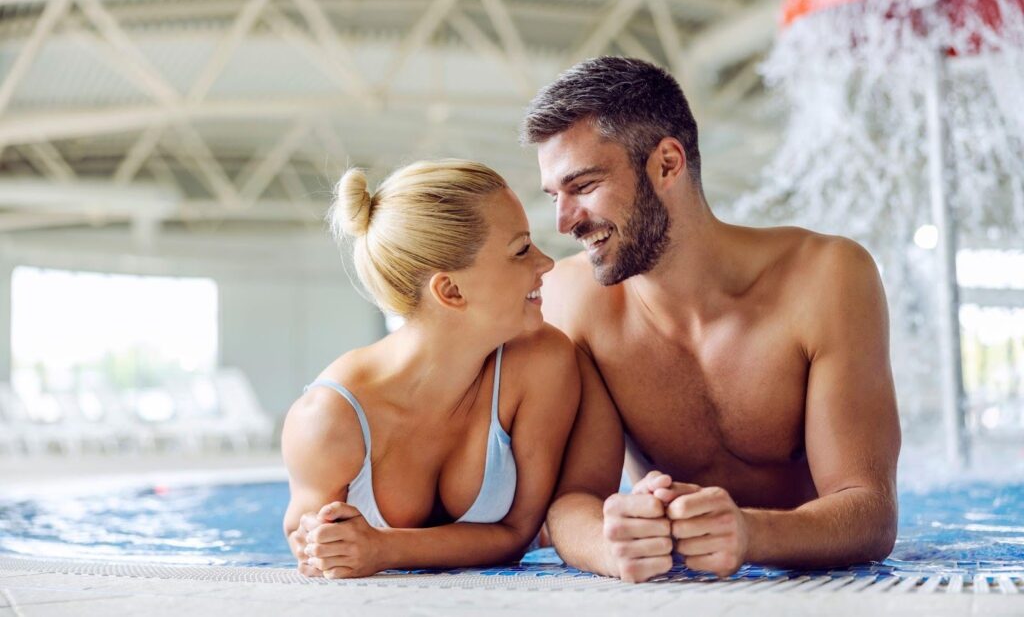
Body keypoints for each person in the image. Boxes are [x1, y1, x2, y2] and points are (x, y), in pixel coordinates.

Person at [522, 56, 901, 582]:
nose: (563, 221)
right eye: (554, 196)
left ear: (668, 164)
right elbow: (572, 500)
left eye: (582, 186)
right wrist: (613, 545)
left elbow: (871, 512)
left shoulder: (826, 279)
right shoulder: (575, 300)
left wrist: (750, 534)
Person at [281, 160, 580, 578]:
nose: (547, 263)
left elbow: (517, 532)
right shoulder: (327, 422)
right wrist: (319, 543)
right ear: (451, 290)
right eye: (521, 250)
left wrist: (383, 549)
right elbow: (304, 539)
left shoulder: (541, 362)